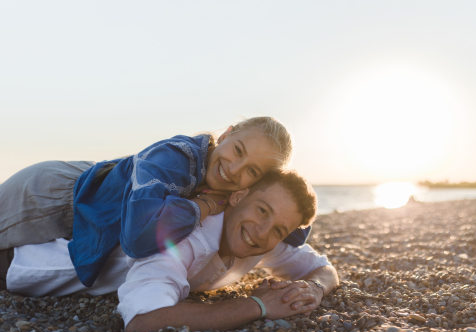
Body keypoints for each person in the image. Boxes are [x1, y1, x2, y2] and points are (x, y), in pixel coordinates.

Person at [2, 170, 339, 332]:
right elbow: (144, 319)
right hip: (20, 259)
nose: (263, 232)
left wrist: (314, 287)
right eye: (262, 210)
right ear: (237, 196)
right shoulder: (183, 235)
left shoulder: (262, 239)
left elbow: (322, 267)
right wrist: (261, 306)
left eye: (279, 228)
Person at [0, 116, 310, 288]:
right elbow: (138, 238)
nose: (234, 170)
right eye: (238, 151)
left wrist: (298, 226)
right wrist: (201, 207)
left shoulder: (231, 186)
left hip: (85, 199)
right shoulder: (174, 157)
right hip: (49, 196)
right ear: (228, 133)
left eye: (251, 171)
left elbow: (293, 222)